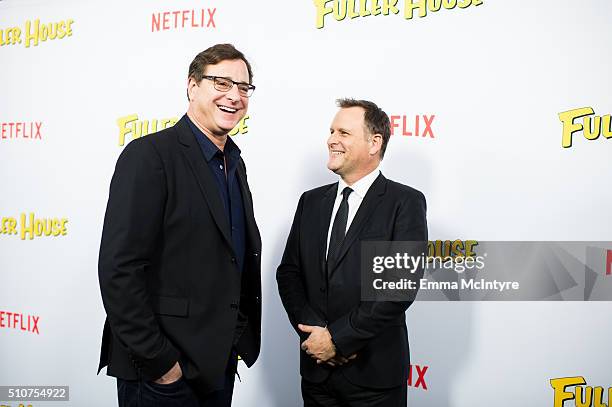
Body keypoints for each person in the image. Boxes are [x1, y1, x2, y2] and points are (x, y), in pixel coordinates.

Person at [98, 43, 261, 407]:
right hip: (162, 374)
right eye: (221, 83)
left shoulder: (234, 163)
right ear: (192, 86)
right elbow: (119, 269)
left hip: (216, 365)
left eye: (244, 87)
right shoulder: (149, 155)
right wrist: (161, 363)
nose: (234, 96)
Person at [277, 99, 427, 406]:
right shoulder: (311, 201)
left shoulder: (404, 202)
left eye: (343, 132)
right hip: (317, 373)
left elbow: (396, 289)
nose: (331, 139)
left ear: (374, 143)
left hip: (374, 378)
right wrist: (315, 336)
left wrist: (337, 340)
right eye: (331, 131)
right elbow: (289, 273)